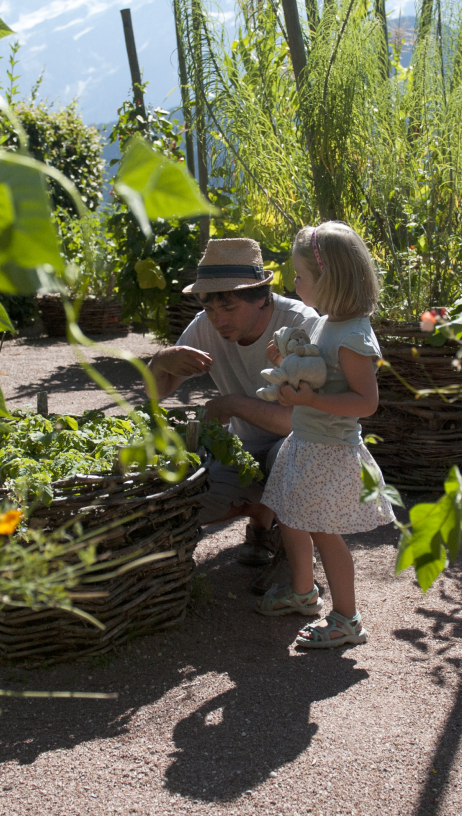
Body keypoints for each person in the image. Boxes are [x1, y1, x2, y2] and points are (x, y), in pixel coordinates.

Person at [252, 221, 394, 648]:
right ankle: (303, 592)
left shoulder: (352, 337)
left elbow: (365, 402)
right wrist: (285, 360)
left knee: (324, 533)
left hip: (330, 452)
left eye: (300, 275)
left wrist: (311, 401)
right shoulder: (325, 323)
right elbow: (314, 367)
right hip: (306, 444)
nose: (294, 283)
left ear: (328, 280)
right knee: (292, 515)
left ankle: (347, 618)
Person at [147, 238, 319, 571]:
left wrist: (231, 405)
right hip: (243, 452)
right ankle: (262, 517)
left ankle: (295, 560)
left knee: (290, 455)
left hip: (303, 447)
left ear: (262, 298)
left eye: (229, 308)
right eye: (210, 308)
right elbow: (158, 391)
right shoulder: (205, 325)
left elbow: (299, 421)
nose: (218, 319)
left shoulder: (299, 324)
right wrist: (161, 360)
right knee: (192, 498)